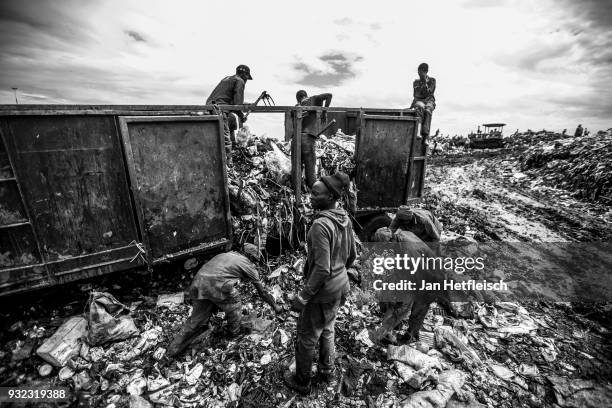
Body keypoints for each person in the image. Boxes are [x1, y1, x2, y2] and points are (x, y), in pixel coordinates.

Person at [284, 172, 357, 395]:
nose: (310, 197)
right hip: (341, 287)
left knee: (307, 337)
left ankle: (302, 381)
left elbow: (322, 269)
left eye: (316, 194)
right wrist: (340, 271)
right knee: (328, 328)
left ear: (330, 197)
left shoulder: (320, 225)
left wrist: (303, 296)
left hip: (322, 292)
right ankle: (326, 370)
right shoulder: (343, 218)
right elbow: (352, 255)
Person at [166, 251, 281, 358]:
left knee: (196, 320)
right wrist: (275, 306)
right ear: (252, 258)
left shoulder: (230, 255)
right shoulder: (248, 265)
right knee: (235, 304)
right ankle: (234, 334)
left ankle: (172, 350)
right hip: (215, 285)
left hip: (198, 282)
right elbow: (263, 292)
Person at [372, 207, 446, 345]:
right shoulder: (398, 237)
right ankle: (393, 328)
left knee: (417, 305)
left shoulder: (409, 247)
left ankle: (410, 335)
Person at [207, 65, 253, 155]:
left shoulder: (227, 79)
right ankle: (228, 164)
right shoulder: (240, 81)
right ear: (245, 75)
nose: (247, 80)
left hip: (209, 107)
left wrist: (239, 114)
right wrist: (241, 116)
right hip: (220, 110)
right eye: (247, 77)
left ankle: (230, 150)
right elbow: (237, 105)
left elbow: (229, 101)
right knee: (225, 141)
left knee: (231, 119)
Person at [296, 90, 333, 189]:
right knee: (310, 167)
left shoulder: (297, 106)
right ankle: (313, 193)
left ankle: (298, 191)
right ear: (305, 95)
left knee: (297, 167)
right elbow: (329, 95)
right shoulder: (313, 99)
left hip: (296, 138)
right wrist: (324, 112)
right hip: (308, 137)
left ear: (298, 98)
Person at [411, 63, 436, 140]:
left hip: (429, 100)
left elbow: (429, 93)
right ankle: (418, 132)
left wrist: (425, 83)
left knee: (428, 110)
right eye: (418, 72)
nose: (419, 74)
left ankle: (425, 136)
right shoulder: (416, 82)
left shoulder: (432, 80)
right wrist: (411, 106)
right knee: (419, 107)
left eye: (421, 72)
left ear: (426, 72)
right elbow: (416, 96)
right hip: (419, 101)